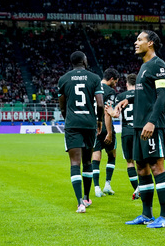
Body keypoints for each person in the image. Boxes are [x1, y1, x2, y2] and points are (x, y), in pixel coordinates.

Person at [115, 30, 165, 228]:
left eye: (140, 39)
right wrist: (125, 101)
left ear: (152, 43)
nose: (135, 42)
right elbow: (142, 95)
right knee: (141, 168)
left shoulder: (158, 65)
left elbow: (162, 96)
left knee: (157, 167)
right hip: (138, 126)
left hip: (152, 126)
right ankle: (146, 214)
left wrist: (152, 121)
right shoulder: (144, 67)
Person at [58, 51, 104, 213]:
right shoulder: (94, 78)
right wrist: (99, 121)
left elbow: (62, 105)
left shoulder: (63, 79)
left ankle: (80, 203)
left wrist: (67, 118)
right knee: (88, 162)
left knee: (74, 163)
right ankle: (86, 196)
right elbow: (100, 105)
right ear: (84, 61)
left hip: (73, 123)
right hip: (89, 123)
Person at [106, 73, 140, 200]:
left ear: (127, 84)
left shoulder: (120, 96)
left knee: (130, 162)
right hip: (140, 130)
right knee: (141, 162)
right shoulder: (141, 94)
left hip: (127, 132)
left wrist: (110, 111)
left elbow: (115, 114)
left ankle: (137, 188)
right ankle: (143, 187)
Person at [92, 68, 120, 197]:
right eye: (115, 81)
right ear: (111, 79)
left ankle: (97, 188)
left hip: (93, 126)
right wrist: (109, 132)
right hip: (104, 126)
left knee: (96, 156)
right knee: (111, 155)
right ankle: (107, 185)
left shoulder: (93, 87)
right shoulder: (110, 91)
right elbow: (107, 111)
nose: (116, 84)